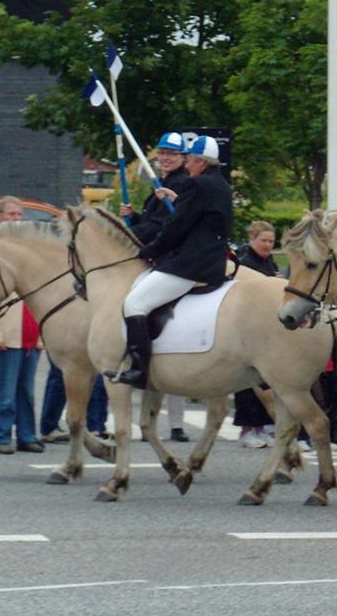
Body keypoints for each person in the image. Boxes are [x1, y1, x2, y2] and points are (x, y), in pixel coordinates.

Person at [109, 135, 232, 389]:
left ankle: (139, 370)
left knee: (134, 304)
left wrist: (149, 251)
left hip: (190, 264)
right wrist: (179, 201)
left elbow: (176, 227)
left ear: (200, 161)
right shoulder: (220, 185)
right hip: (211, 262)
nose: (187, 166)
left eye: (189, 160)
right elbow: (198, 217)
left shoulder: (196, 185)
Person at [118, 131, 196, 438]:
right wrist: (134, 216)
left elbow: (163, 226)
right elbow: (154, 220)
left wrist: (133, 231)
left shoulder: (178, 185)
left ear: (183, 159)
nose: (165, 158)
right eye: (162, 153)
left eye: (171, 154)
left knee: (134, 303)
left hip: (172, 258)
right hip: (161, 254)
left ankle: (140, 365)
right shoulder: (160, 186)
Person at [0, 196, 45, 455]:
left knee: (26, 390)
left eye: (20, 215)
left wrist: (42, 333)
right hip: (5, 329)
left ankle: (27, 434)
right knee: (3, 389)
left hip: (30, 329)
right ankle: (1, 435)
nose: (16, 219)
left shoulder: (30, 249)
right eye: (11, 214)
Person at [234, 220, 280, 448]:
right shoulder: (245, 263)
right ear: (253, 240)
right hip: (249, 324)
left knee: (267, 381)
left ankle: (263, 425)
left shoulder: (269, 262)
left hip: (267, 327)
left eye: (271, 241)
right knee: (248, 382)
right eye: (263, 240)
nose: (268, 245)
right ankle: (247, 428)